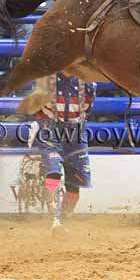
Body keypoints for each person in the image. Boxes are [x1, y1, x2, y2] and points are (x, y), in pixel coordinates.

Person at [27, 73, 96, 233]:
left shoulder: (88, 82)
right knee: (54, 171)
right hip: (49, 127)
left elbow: (88, 106)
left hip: (75, 130)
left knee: (75, 183)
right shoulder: (44, 79)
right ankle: (54, 219)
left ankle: (63, 221)